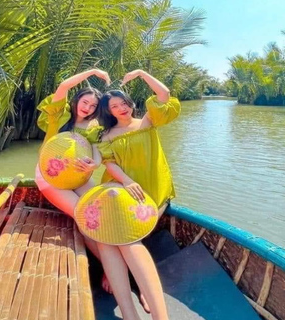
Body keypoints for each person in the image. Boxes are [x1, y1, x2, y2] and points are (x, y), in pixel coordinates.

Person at [97, 69, 181, 320]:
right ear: (108, 111)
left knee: (134, 231)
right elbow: (109, 164)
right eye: (115, 106)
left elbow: (164, 94)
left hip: (154, 189)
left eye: (124, 103)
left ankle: (136, 285)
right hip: (122, 187)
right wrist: (127, 181)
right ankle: (132, 283)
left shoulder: (148, 121)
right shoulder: (106, 135)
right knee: (112, 229)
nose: (122, 108)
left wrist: (141, 73)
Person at [35, 68, 114, 291]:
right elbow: (63, 87)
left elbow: (98, 152)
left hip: (78, 177)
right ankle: (109, 267)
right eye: (85, 102)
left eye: (92, 106)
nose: (87, 108)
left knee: (102, 210)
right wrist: (93, 71)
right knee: (85, 215)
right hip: (49, 176)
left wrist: (95, 164)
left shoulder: (93, 127)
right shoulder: (58, 116)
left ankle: (118, 261)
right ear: (78, 99)